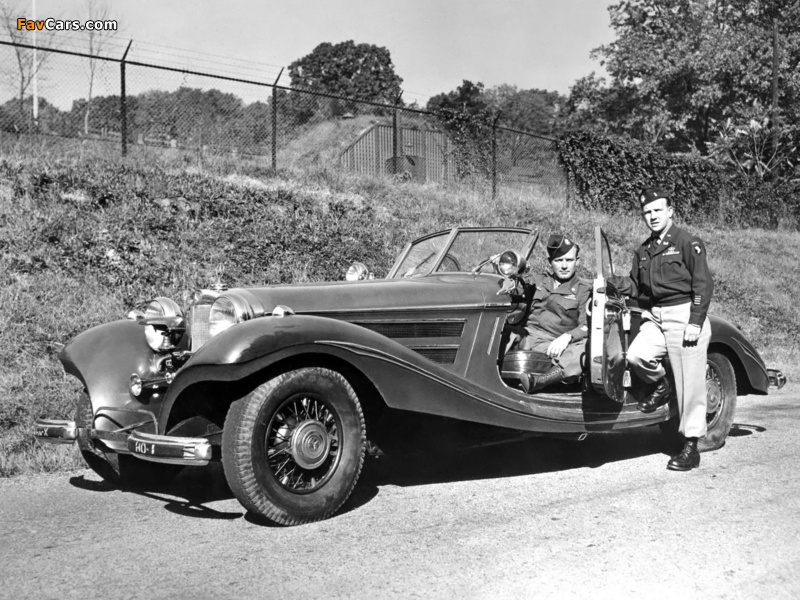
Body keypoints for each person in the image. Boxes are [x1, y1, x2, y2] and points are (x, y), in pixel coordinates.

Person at [610, 186, 713, 472]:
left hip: (684, 316)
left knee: (690, 384)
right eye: (647, 212)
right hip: (655, 315)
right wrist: (615, 283)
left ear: (670, 211)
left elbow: (703, 284)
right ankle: (662, 384)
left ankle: (691, 445)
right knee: (636, 355)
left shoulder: (686, 242)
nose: (652, 216)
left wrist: (695, 321)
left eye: (657, 210)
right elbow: (636, 286)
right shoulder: (643, 250)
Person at [517, 234, 591, 394]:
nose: (564, 266)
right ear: (550, 262)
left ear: (577, 261)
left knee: (586, 349)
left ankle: (540, 381)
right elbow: (515, 287)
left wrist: (568, 337)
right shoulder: (538, 280)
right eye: (558, 260)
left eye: (569, 260)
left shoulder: (583, 290)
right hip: (525, 337)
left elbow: (587, 326)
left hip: (553, 345)